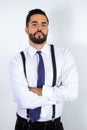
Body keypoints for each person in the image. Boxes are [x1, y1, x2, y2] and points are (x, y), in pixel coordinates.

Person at [9, 9, 78, 130]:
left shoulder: (64, 55)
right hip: (25, 125)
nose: (39, 28)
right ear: (26, 29)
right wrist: (56, 95)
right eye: (34, 24)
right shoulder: (17, 60)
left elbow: (72, 93)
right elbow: (24, 101)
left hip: (54, 125)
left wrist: (42, 91)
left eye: (43, 24)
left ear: (48, 29)